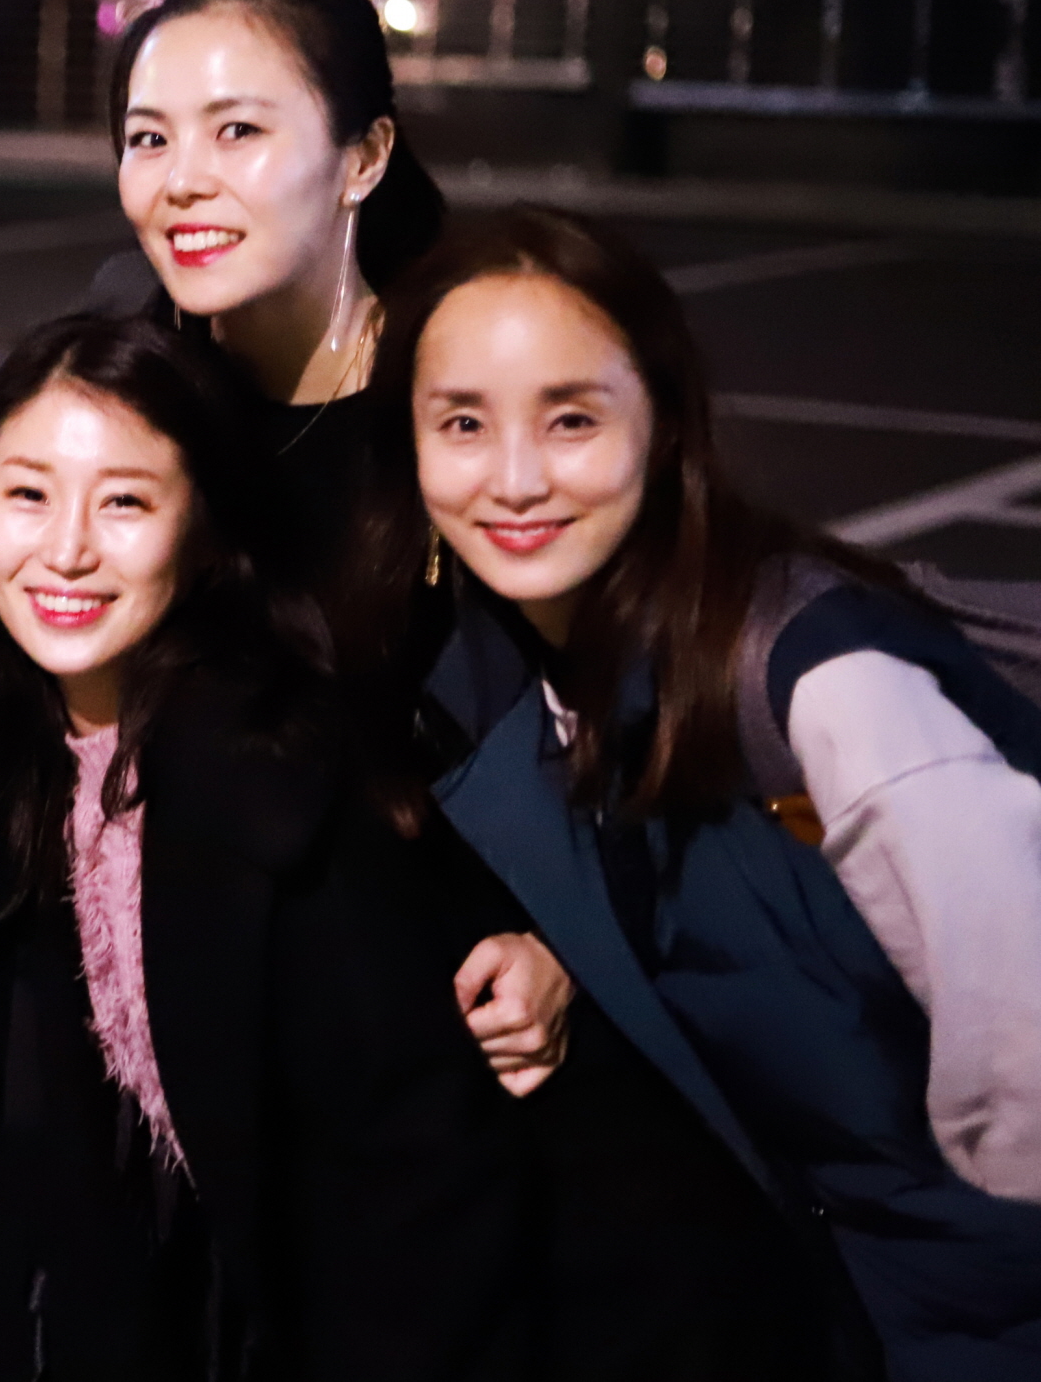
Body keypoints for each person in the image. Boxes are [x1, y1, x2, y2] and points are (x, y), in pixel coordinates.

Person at [94, 0, 828, 1377]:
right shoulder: (146, 403)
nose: (183, 179)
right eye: (147, 137)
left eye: (237, 129)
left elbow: (665, 711)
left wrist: (567, 942)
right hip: (269, 1077)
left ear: (365, 155)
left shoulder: (463, 403)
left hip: (509, 1114)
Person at [372, 205, 1041, 1381]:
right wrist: (568, 947)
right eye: (462, 422)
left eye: (572, 418)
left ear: (666, 420)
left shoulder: (822, 685)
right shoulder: (541, 672)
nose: (514, 478)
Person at [0, 313, 540, 1380]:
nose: (65, 548)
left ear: (208, 534)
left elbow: (411, 1183)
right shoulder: (31, 742)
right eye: (27, 492)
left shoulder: (263, 781)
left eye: (124, 501)